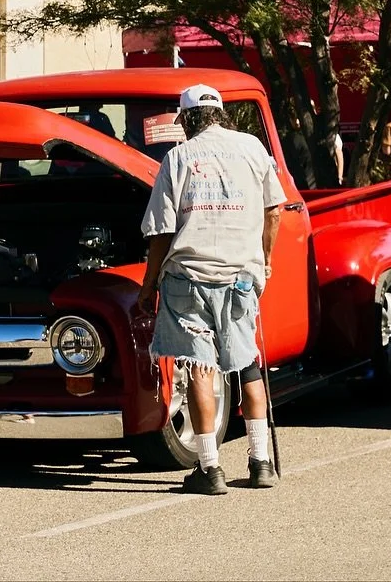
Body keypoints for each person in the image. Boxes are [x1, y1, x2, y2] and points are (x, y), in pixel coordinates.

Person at [137, 81, 286, 497]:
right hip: (240, 276)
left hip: (189, 277)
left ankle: (210, 469)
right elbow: (274, 211)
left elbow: (162, 232)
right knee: (248, 364)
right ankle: (260, 463)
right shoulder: (253, 148)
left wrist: (149, 287)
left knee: (200, 367)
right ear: (221, 113)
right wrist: (264, 259)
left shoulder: (178, 157)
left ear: (185, 119)